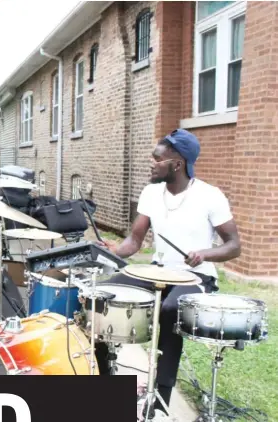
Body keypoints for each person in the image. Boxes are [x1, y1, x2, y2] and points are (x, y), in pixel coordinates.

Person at [96, 129, 241, 415]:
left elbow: (234, 246)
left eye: (157, 158)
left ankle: (159, 398)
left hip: (197, 277)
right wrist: (114, 249)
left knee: (171, 308)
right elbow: (135, 241)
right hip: (158, 271)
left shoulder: (210, 196)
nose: (151, 163)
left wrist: (204, 254)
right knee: (101, 296)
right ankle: (106, 381)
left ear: (177, 164)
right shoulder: (151, 193)